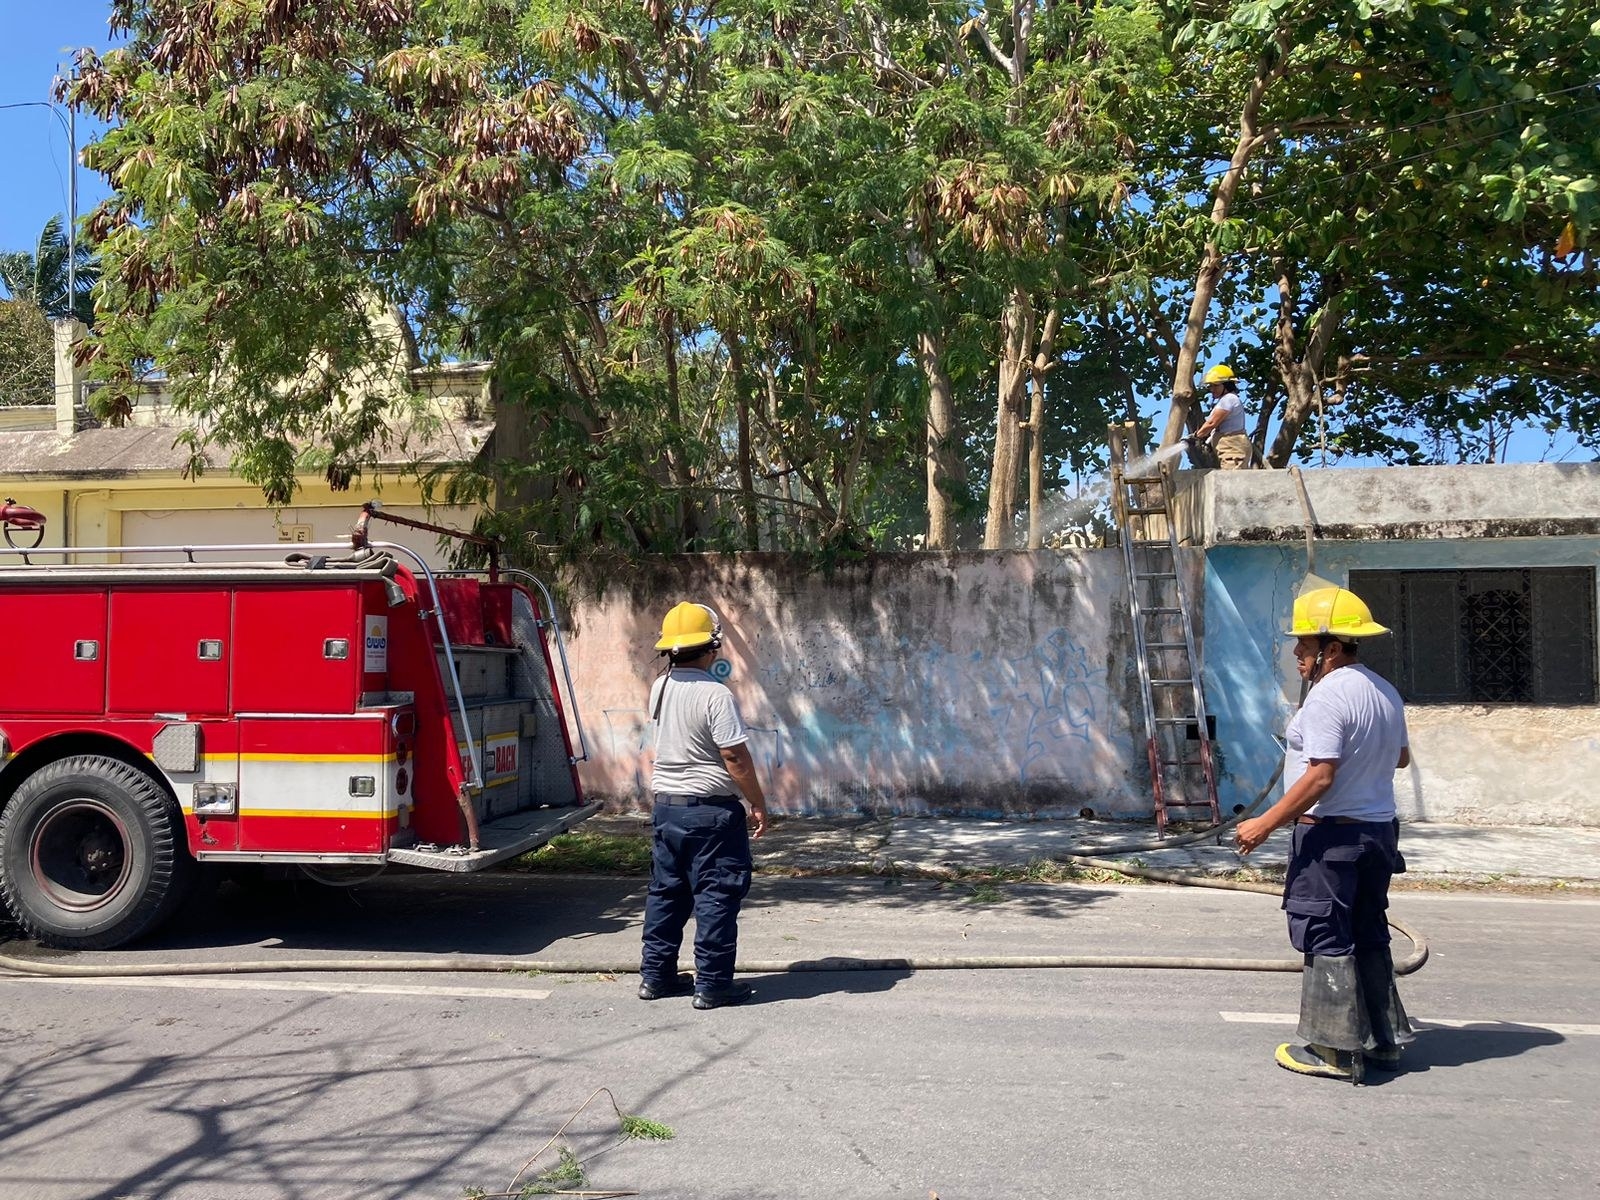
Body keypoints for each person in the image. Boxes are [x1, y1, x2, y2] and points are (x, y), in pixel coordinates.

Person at [1234, 585, 1415, 1083]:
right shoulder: (1385, 691)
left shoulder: (1329, 695)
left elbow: (1320, 776)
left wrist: (1264, 822)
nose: (1296, 653)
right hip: (1378, 832)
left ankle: (1332, 1049)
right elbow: (1399, 757)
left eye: (1304, 646)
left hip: (1332, 837)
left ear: (1331, 649)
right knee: (1368, 930)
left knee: (1325, 934)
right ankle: (1383, 1042)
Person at [638, 601, 769, 1010]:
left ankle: (656, 977)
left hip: (667, 809)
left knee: (667, 893)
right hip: (711, 813)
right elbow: (735, 757)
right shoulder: (716, 694)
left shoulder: (660, 687)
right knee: (716, 895)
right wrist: (758, 802)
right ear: (712, 645)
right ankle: (712, 985)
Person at [1190, 364, 1256, 469]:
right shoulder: (1226, 400)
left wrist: (1195, 437)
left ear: (1227, 385)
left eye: (1216, 385)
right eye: (1210, 386)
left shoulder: (1229, 399)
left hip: (1233, 448)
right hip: (1229, 447)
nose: (1212, 389)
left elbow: (1212, 423)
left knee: (1231, 481)